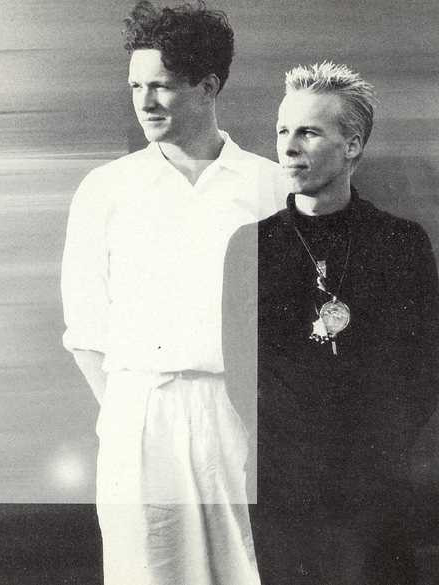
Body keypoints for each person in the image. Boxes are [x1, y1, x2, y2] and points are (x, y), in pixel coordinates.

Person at [61, 1, 284, 583]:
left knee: (251, 570)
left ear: (208, 86)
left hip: (242, 419)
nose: (145, 102)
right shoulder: (106, 190)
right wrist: (130, 415)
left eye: (161, 86)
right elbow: (86, 328)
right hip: (141, 415)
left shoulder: (272, 187)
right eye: (136, 86)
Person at [223, 62, 439, 584]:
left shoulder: (400, 243)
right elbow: (240, 377)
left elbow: (421, 371)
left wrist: (370, 461)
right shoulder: (249, 246)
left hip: (373, 489)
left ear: (352, 145)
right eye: (283, 131)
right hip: (285, 491)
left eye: (309, 132)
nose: (289, 147)